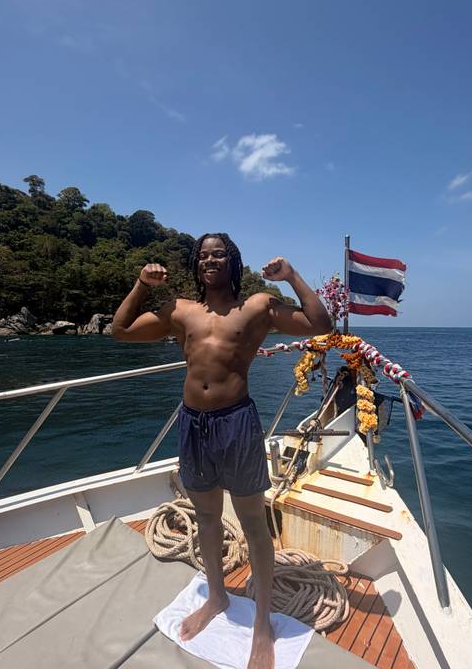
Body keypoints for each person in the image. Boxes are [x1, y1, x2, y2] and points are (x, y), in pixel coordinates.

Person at [113, 232, 331, 669]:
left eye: (218, 255)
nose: (209, 261)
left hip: (236, 423)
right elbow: (121, 330)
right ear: (196, 265)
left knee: (253, 522)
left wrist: (291, 276)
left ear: (233, 261)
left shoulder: (257, 306)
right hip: (193, 423)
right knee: (207, 517)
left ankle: (263, 623)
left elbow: (320, 324)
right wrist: (141, 284)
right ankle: (216, 596)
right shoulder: (179, 310)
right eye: (203, 256)